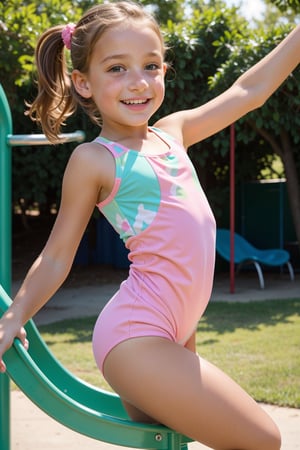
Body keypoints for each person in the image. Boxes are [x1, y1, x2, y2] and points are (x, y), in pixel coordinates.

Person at [0, 1, 299, 448]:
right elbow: (57, 255)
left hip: (177, 334)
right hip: (135, 338)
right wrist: (14, 316)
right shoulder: (96, 159)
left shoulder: (173, 132)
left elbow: (248, 91)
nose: (138, 82)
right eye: (117, 68)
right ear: (83, 82)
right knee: (262, 440)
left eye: (151, 65)